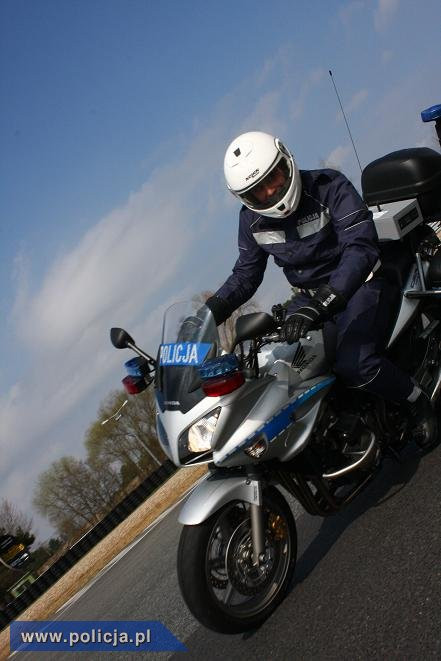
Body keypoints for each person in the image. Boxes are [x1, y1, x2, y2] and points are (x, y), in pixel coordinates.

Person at [204, 130, 436, 448]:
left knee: (355, 364)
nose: (271, 191)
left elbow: (360, 248)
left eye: (275, 178)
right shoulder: (252, 222)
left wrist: (326, 299)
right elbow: (246, 274)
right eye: (259, 191)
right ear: (245, 197)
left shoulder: (328, 186)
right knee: (284, 372)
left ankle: (417, 402)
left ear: (287, 163)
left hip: (362, 284)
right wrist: (208, 312)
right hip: (311, 299)